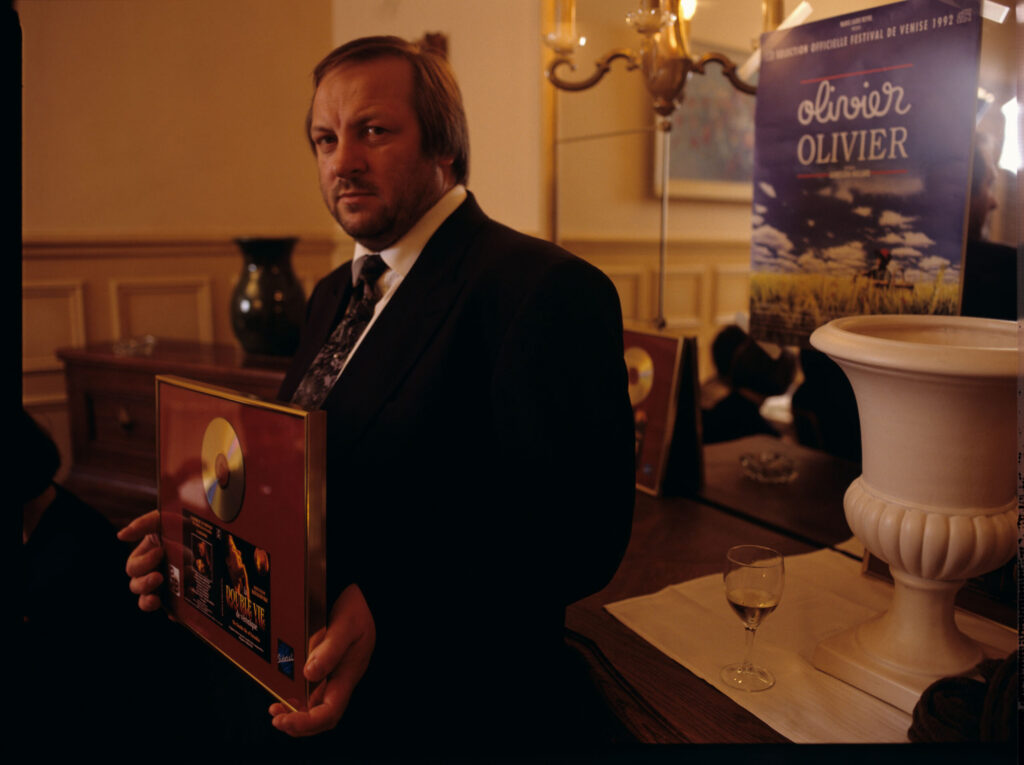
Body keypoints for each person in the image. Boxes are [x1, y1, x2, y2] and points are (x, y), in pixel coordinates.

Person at [119, 35, 635, 754]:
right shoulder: (333, 291)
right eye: (324, 139)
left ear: (444, 148)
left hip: (441, 706)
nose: (342, 161)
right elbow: (294, 474)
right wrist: (197, 529)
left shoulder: (543, 289)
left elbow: (577, 533)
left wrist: (393, 601)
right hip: (294, 677)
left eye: (373, 131)